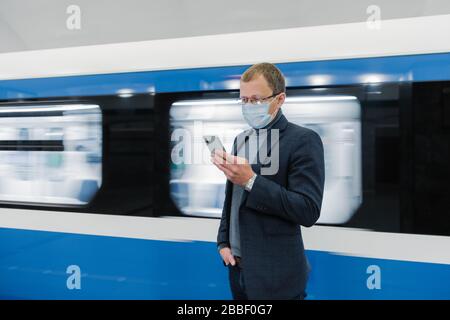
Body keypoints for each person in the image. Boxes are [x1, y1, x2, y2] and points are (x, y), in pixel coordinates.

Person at [212, 62, 325, 300]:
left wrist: (252, 180)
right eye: (244, 100)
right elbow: (231, 199)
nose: (249, 106)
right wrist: (223, 241)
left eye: (256, 100)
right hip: (238, 270)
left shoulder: (303, 140)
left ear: (280, 99)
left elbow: (308, 210)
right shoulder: (241, 140)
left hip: (277, 275)